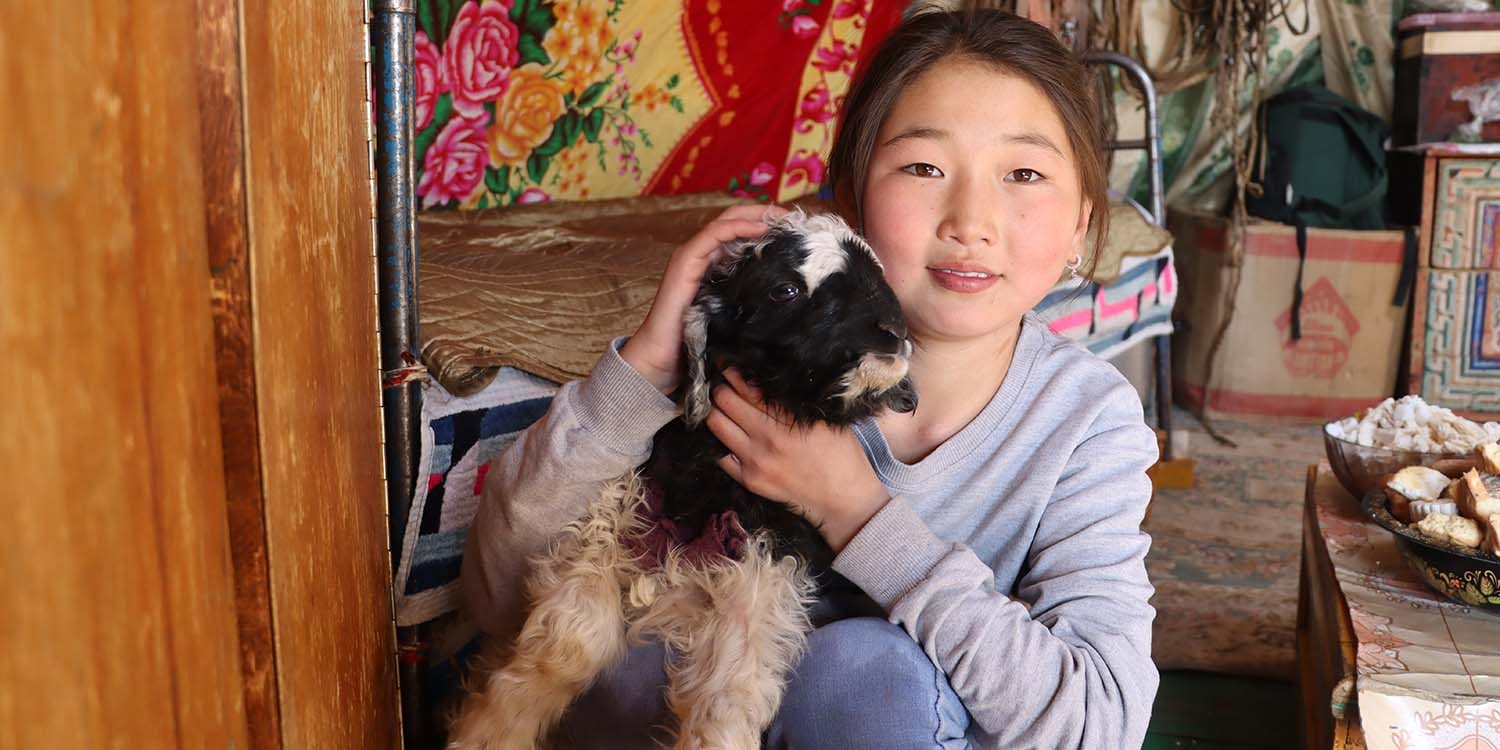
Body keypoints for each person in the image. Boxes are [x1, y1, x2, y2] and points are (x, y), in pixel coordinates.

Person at [461, 6, 1159, 749]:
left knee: (863, 673)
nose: (970, 219)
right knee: (628, 651)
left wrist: (859, 515)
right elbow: (496, 598)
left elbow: (1100, 723)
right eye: (924, 166)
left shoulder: (1086, 420)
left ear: (1084, 222)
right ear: (850, 202)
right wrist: (644, 368)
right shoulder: (748, 367)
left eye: (1024, 173)